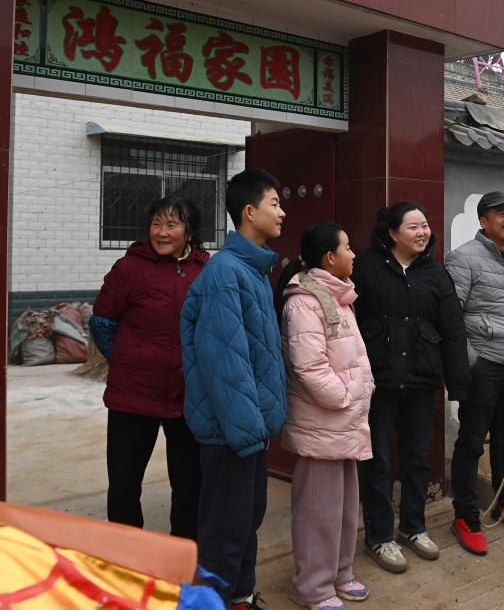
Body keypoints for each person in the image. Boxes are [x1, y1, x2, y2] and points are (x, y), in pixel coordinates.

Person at [181, 168, 288, 610]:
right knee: (225, 530)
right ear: (249, 212)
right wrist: (248, 430)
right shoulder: (227, 272)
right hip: (231, 430)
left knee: (246, 520)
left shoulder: (253, 268)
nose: (283, 212)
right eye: (275, 204)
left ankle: (240, 598)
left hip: (247, 427)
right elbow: (225, 362)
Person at [352, 202, 470, 573]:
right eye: (413, 226)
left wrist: (459, 385)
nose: (422, 233)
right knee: (379, 460)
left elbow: (453, 331)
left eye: (425, 225)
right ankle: (379, 536)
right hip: (380, 380)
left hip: (421, 380)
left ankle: (413, 528)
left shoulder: (436, 275)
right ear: (391, 233)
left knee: (419, 458)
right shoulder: (366, 268)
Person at [90, 196, 209, 540]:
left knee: (190, 484)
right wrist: (127, 359)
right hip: (134, 395)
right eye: (156, 224)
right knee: (125, 484)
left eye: (172, 225)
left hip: (187, 396)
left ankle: (183, 555)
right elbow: (101, 321)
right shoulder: (130, 268)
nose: (161, 232)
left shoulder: (205, 270)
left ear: (189, 232)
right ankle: (128, 558)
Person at [277, 223, 374, 610]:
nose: (354, 254)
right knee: (318, 509)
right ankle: (312, 587)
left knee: (345, 506)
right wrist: (348, 395)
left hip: (345, 419)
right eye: (348, 247)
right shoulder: (303, 300)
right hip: (324, 420)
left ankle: (339, 573)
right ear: (329, 258)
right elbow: (309, 366)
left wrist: (357, 396)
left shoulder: (338, 296)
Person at [445, 191, 504, 556]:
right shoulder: (464, 258)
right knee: (470, 442)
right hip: (485, 366)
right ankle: (465, 515)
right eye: (500, 213)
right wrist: (473, 362)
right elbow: (451, 316)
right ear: (484, 221)